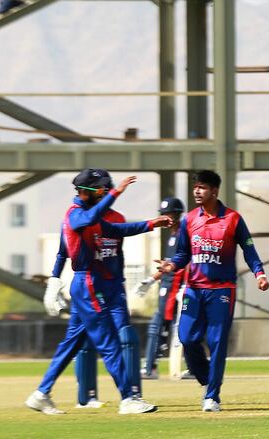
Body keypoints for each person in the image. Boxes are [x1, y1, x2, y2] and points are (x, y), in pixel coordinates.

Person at [26, 168, 172, 415]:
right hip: (88, 284)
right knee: (109, 342)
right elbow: (90, 221)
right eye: (102, 189)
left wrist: (150, 224)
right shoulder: (76, 215)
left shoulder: (88, 215)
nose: (105, 192)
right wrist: (116, 192)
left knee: (71, 343)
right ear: (88, 193)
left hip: (89, 285)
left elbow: (116, 230)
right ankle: (128, 399)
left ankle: (41, 393)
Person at [156, 170, 269, 412]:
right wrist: (171, 265)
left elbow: (249, 249)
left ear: (215, 191)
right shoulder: (188, 220)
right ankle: (208, 378)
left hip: (222, 290)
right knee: (187, 338)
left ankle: (212, 396)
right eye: (196, 187)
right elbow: (183, 254)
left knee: (217, 342)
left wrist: (259, 273)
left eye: (203, 187)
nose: (197, 191)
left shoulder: (233, 219)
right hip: (194, 289)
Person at [135, 196, 187, 380]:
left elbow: (183, 263)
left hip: (176, 288)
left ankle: (152, 368)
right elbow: (168, 265)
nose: (167, 218)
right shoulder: (172, 236)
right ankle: (150, 367)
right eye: (165, 215)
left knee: (181, 328)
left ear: (178, 215)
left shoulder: (182, 234)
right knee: (159, 327)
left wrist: (185, 285)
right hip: (167, 286)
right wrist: (150, 280)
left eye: (171, 214)